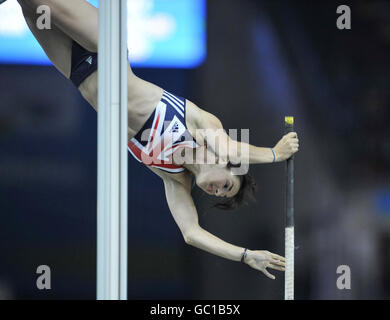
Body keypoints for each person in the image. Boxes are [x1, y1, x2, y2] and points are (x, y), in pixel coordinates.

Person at [13, 0, 300, 280]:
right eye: (226, 184)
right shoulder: (204, 127)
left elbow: (191, 234)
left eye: (218, 195)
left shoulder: (173, 179)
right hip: (104, 46)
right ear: (226, 163)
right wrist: (275, 153)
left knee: (27, 6)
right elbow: (228, 145)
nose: (216, 190)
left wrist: (245, 255)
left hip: (76, 72)